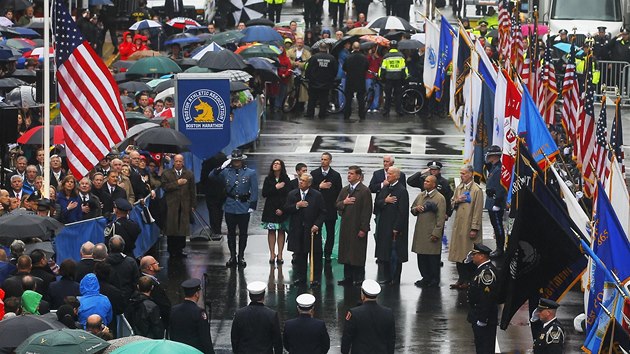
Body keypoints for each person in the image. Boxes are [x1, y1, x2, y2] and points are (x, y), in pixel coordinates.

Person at [212, 149, 258, 267]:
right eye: (234, 160)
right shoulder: (226, 172)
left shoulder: (250, 172)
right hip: (230, 206)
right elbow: (211, 177)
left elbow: (254, 190)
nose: (236, 162)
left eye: (238, 160)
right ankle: (232, 256)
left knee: (243, 233)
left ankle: (241, 256)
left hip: (243, 206)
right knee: (230, 233)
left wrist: (252, 204)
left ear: (242, 160)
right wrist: (220, 167)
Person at [283, 173, 326, 287]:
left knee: (315, 256)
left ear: (309, 183)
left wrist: (317, 224)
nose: (300, 182)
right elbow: (286, 208)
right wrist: (297, 205)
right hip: (298, 231)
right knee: (300, 256)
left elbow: (322, 212)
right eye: (300, 180)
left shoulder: (316, 195)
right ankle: (300, 278)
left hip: (312, 231)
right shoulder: (293, 194)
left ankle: (316, 279)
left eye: (303, 181)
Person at [335, 166, 373, 286]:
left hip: (357, 227)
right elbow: (337, 204)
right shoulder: (345, 190)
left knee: (357, 253)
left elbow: (367, 211)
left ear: (358, 176)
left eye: (351, 173)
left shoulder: (364, 191)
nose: (349, 175)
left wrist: (363, 228)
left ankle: (359, 278)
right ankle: (348, 277)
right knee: (346, 251)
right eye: (348, 173)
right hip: (346, 226)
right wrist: (344, 203)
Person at [449, 165, 484, 290]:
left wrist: (474, 228)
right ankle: (461, 278)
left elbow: (478, 210)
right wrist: (457, 200)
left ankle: (469, 280)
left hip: (469, 227)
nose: (461, 176)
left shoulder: (476, 190)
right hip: (459, 226)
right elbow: (452, 202)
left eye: (463, 173)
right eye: (461, 173)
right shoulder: (460, 188)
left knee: (469, 255)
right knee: (458, 255)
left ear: (470, 174)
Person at [374, 167, 409, 285]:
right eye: (387, 173)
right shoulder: (385, 188)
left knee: (396, 254)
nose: (387, 176)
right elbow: (377, 203)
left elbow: (403, 212)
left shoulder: (401, 190)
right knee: (385, 253)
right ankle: (387, 277)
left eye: (390, 174)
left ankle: (395, 278)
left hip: (395, 228)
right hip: (384, 226)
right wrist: (385, 201)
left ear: (397, 176)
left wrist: (397, 227)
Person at [410, 175, 447, 288]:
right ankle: (425, 277)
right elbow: (412, 208)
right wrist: (416, 209)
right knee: (421, 257)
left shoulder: (439, 198)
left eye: (428, 181)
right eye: (425, 181)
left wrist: (436, 233)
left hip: (431, 232)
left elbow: (440, 218)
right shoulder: (421, 195)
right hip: (421, 232)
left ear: (433, 184)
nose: (425, 183)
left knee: (432, 258)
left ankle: (434, 279)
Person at [341, 280, 395, 354]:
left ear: (362, 293)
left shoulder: (354, 313)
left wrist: (344, 351)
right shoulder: (388, 313)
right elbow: (391, 339)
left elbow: (347, 337)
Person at [231, 281, 283, 353]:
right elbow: (277, 340)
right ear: (263, 295)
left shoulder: (239, 314)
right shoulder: (271, 315)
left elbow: (235, 338)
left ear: (249, 296)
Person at [161, 154, 196, 258]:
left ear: (183, 162)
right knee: (172, 228)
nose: (178, 163)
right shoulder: (166, 173)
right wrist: (177, 183)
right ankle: (172, 250)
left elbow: (192, 190)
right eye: (176, 161)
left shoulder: (189, 174)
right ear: (173, 162)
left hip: (185, 204)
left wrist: (193, 204)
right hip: (171, 205)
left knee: (182, 228)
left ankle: (180, 249)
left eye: (180, 161)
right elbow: (165, 187)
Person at [466, 244, 498, 354]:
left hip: (484, 318)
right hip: (478, 314)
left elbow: (487, 297)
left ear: (482, 256)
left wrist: (483, 319)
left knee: (485, 347)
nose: (472, 257)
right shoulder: (481, 270)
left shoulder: (486, 273)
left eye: (474, 255)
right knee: (480, 346)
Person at [310, 152, 342, 262]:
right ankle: (316, 252)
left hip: (330, 208)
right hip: (316, 209)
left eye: (325, 159)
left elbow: (339, 192)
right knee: (316, 230)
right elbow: (309, 189)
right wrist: (319, 186)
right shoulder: (314, 174)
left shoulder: (335, 175)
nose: (323, 161)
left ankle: (328, 253)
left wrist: (338, 206)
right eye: (322, 159)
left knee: (330, 232)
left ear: (330, 161)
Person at [169, 279, 214, 353]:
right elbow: (205, 338)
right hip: (194, 351)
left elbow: (171, 332)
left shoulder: (174, 310)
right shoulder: (199, 312)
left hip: (178, 350)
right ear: (196, 294)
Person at [261, 159, 291, 264]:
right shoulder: (268, 179)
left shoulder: (286, 179)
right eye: (274, 163)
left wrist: (283, 209)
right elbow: (264, 193)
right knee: (271, 231)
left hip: (282, 209)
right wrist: (275, 187)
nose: (275, 165)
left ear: (281, 167)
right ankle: (272, 253)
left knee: (281, 231)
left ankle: (280, 254)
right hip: (270, 209)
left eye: (278, 164)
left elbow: (288, 195)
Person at [304, 43, 338, 119]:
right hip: (326, 82)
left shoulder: (314, 57)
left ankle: (310, 113)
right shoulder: (332, 58)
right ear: (327, 49)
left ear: (319, 48)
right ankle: (322, 114)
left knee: (312, 99)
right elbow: (335, 70)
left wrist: (307, 78)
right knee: (324, 99)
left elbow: (308, 69)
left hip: (314, 82)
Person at [484, 146, 506, 258]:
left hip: (495, 202)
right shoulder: (493, 167)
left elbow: (500, 188)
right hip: (491, 201)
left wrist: (497, 204)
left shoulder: (499, 169)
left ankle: (500, 249)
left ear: (494, 156)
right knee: (495, 226)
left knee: (498, 226)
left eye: (490, 155)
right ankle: (499, 247)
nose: (487, 157)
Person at [106, 236, 141, 305]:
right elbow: (136, 281)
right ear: (123, 247)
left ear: (109, 247)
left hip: (108, 299)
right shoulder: (131, 262)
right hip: (127, 298)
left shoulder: (103, 263)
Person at [140, 256, 171, 329]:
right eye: (155, 263)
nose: (158, 264)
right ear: (149, 267)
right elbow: (161, 303)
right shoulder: (150, 284)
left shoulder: (146, 279)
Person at [379, 41, 408, 117]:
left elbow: (383, 68)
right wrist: (405, 77)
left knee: (388, 95)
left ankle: (386, 110)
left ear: (390, 47)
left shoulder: (386, 56)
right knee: (398, 95)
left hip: (388, 78)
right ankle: (399, 110)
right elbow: (403, 68)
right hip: (398, 79)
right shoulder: (401, 56)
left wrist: (381, 77)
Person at [343, 42, 369, 121]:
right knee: (361, 99)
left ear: (353, 48)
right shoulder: (364, 58)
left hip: (350, 80)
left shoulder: (348, 57)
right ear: (359, 48)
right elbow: (366, 68)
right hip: (360, 80)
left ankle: (347, 115)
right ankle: (362, 115)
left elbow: (344, 68)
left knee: (348, 99)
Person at [286, 37, 311, 112]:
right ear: (295, 43)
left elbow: (308, 63)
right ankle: (291, 106)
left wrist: (299, 65)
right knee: (292, 90)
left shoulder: (307, 53)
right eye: (298, 42)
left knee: (302, 92)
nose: (299, 44)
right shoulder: (290, 51)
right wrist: (295, 64)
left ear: (303, 44)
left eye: (301, 43)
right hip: (292, 75)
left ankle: (300, 107)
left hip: (302, 75)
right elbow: (288, 61)